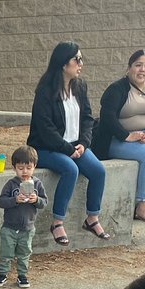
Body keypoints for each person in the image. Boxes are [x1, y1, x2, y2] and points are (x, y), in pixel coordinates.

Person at [27, 41, 110, 246]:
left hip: (75, 146)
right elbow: (45, 129)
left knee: (98, 171)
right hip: (46, 148)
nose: (81, 64)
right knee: (70, 169)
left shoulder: (80, 86)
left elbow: (88, 119)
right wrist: (68, 149)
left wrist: (84, 143)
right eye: (77, 59)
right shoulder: (45, 91)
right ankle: (57, 222)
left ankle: (92, 218)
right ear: (64, 63)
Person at [92, 49, 145, 242]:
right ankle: (142, 204)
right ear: (129, 67)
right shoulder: (116, 89)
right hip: (114, 142)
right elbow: (107, 118)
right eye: (138, 65)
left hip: (144, 141)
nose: (142, 69)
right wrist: (127, 135)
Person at [0, 145, 48, 288]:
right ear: (14, 167)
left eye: (28, 168)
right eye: (20, 168)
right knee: (6, 252)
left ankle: (22, 275)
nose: (25, 171)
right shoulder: (11, 184)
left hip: (28, 228)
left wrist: (36, 200)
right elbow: (1, 202)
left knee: (24, 253)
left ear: (34, 166)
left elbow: (44, 202)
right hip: (9, 227)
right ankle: (3, 274)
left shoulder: (37, 184)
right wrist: (15, 200)